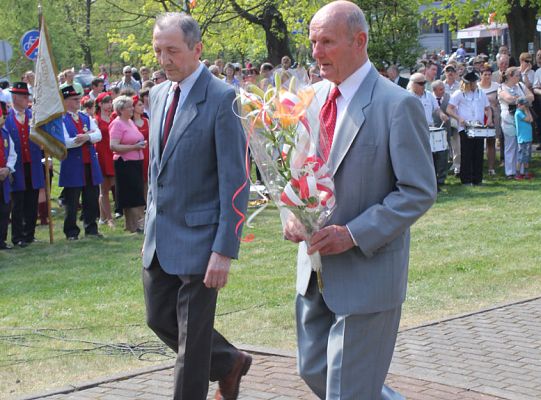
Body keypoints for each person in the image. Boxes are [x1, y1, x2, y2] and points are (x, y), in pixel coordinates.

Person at [284, 2, 436, 399]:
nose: (316, 52)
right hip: (314, 271)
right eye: (313, 41)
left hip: (368, 274)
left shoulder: (397, 104)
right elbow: (294, 174)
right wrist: (290, 214)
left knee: (347, 391)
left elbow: (417, 190)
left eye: (327, 42)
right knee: (314, 371)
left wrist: (352, 233)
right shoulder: (309, 99)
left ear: (359, 41)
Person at [143, 12, 250, 400]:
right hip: (160, 239)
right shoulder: (157, 94)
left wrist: (223, 249)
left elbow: (236, 181)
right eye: (158, 50)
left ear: (197, 49)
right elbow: (158, 169)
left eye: (172, 50)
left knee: (191, 346)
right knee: (159, 319)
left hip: (203, 242)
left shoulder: (222, 99)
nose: (164, 59)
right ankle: (228, 362)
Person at [2, 82, 45, 247]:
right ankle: (18, 236)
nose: (27, 99)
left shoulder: (33, 116)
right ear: (15, 98)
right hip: (16, 166)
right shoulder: (7, 118)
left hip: (33, 164)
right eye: (24, 96)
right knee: (17, 202)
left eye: (27, 96)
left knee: (32, 200)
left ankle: (30, 234)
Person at [59, 86, 103, 240]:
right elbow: (65, 142)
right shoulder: (61, 119)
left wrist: (86, 137)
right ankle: (71, 231)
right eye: (74, 99)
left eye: (78, 99)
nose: (78, 102)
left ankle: (91, 227)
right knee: (72, 200)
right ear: (65, 102)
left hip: (89, 163)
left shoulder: (85, 117)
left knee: (91, 196)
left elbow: (98, 135)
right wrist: (86, 137)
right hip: (73, 164)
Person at [446, 69, 492, 186]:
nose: (474, 85)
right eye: (471, 83)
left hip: (479, 126)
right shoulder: (459, 93)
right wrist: (458, 118)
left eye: (474, 82)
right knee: (466, 153)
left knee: (478, 153)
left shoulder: (481, 93)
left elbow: (487, 108)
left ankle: (478, 179)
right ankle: (466, 179)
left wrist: (490, 119)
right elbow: (449, 109)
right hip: (465, 127)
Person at [109, 95, 146, 233]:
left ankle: (136, 224)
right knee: (129, 194)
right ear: (120, 109)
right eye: (129, 107)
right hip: (124, 163)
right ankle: (133, 225)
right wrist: (134, 147)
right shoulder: (117, 124)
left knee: (136, 192)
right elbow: (113, 146)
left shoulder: (129, 122)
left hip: (136, 161)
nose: (132, 109)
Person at [498, 66, 534, 178]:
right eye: (517, 75)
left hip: (523, 120)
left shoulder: (521, 85)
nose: (519, 77)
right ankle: (510, 172)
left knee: (522, 146)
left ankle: (521, 171)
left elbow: (531, 96)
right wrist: (522, 100)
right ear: (510, 76)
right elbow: (508, 99)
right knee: (510, 145)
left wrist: (519, 99)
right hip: (509, 119)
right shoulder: (501, 87)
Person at [94, 92, 116, 227]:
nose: (109, 105)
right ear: (100, 104)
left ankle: (102, 217)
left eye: (110, 102)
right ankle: (109, 218)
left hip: (112, 153)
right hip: (101, 154)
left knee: (111, 185)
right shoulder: (96, 120)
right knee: (104, 189)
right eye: (106, 102)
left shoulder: (113, 118)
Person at [478, 64, 501, 176]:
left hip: (493, 116)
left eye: (489, 74)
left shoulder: (496, 86)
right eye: (485, 74)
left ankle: (491, 168)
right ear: (480, 75)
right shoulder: (476, 87)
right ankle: (478, 167)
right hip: (479, 117)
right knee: (477, 143)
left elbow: (499, 100)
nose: (487, 76)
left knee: (491, 142)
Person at [0, 106, 17, 250]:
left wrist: (8, 168)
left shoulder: (5, 133)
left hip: (4, 176)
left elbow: (12, 153)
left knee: (5, 208)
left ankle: (2, 240)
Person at [131, 95, 150, 196]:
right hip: (135, 154)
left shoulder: (146, 121)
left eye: (142, 104)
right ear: (133, 107)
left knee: (148, 180)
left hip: (147, 153)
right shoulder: (130, 123)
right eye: (139, 105)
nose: (143, 107)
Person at [514, 97, 534, 179]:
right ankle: (518, 174)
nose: (526, 107)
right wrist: (526, 111)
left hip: (528, 138)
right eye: (524, 106)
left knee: (526, 157)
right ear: (519, 105)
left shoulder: (524, 112)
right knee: (521, 157)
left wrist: (527, 110)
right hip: (523, 139)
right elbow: (528, 119)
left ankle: (526, 173)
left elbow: (531, 120)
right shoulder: (518, 113)